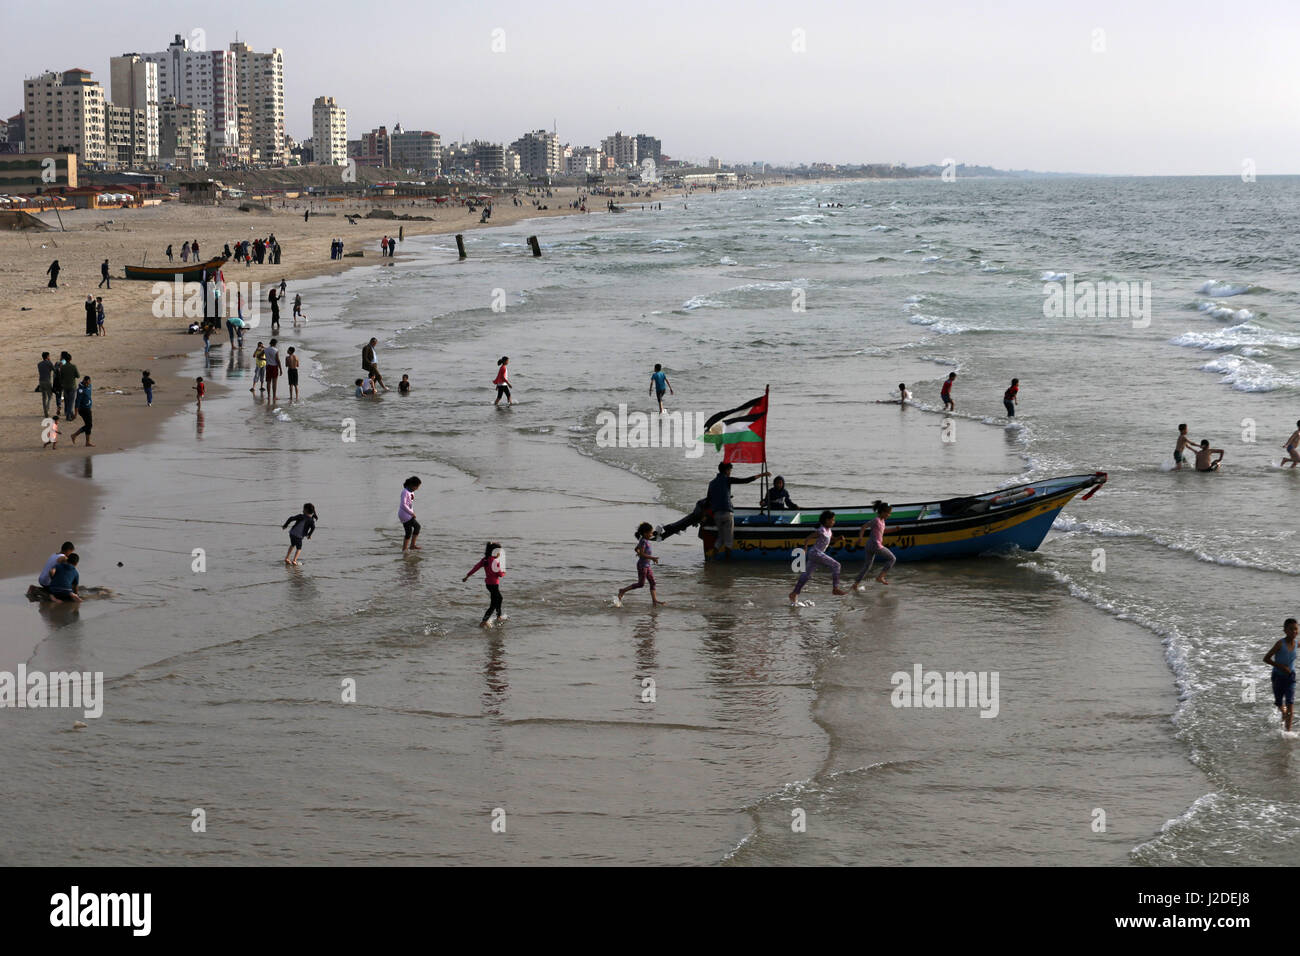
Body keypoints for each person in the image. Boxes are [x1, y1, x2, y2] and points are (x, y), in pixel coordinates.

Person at [706, 461, 770, 558]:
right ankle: (727, 564)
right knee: (728, 541)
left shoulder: (711, 483)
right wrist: (762, 475)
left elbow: (709, 500)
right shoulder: (727, 479)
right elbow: (745, 480)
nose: (730, 472)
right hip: (727, 514)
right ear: (727, 470)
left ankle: (711, 558)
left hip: (717, 515)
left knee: (720, 538)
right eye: (730, 470)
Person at [790, 510, 848, 603]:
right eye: (832, 520)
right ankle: (835, 588)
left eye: (834, 520)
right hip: (816, 553)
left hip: (816, 554)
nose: (834, 522)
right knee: (836, 565)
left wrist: (838, 538)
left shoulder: (829, 531)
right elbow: (808, 538)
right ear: (826, 520)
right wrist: (805, 548)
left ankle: (794, 593)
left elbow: (831, 541)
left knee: (806, 575)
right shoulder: (821, 530)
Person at [616, 522, 665, 606]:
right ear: (645, 533)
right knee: (641, 584)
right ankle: (623, 590)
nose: (652, 534)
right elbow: (642, 554)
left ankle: (654, 601)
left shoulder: (644, 540)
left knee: (652, 582)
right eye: (650, 532)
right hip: (642, 566)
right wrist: (652, 558)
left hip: (647, 565)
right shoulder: (643, 541)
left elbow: (636, 549)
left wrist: (638, 552)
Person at [1264, 619, 1299, 731]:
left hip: (1290, 677)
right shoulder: (1280, 644)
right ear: (1285, 631)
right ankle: (1283, 712)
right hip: (1278, 677)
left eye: (1296, 629)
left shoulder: (1297, 643)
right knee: (1279, 703)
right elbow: (1266, 659)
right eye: (1291, 629)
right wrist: (1281, 666)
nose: (1294, 631)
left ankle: (1287, 733)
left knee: (1290, 705)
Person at [854, 500, 898, 587]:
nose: (889, 515)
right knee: (892, 559)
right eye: (888, 513)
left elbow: (882, 531)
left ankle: (855, 584)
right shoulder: (876, 520)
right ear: (882, 512)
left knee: (867, 567)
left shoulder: (882, 521)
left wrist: (894, 530)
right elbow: (864, 526)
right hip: (876, 546)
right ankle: (880, 577)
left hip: (869, 545)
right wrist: (860, 538)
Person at [464, 541, 507, 627]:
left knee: (498, 599)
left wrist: (467, 576)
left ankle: (498, 617)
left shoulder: (485, 560)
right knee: (494, 604)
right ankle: (484, 622)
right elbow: (500, 574)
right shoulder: (495, 561)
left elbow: (475, 568)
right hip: (494, 584)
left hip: (488, 584)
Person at [399, 477, 421, 551]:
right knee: (409, 531)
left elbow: (409, 504)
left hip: (408, 514)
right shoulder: (405, 492)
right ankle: (405, 549)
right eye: (417, 486)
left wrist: (411, 512)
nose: (418, 488)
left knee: (417, 527)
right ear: (412, 485)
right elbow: (403, 505)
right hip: (404, 515)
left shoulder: (411, 491)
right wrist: (411, 513)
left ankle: (412, 545)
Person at [70, 376, 93, 446]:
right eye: (86, 383)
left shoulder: (90, 386)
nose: (87, 384)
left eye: (88, 383)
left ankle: (87, 442)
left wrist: (90, 407)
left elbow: (88, 397)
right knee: (89, 425)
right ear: (84, 381)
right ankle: (74, 435)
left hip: (88, 408)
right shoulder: (80, 390)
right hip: (83, 409)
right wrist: (76, 414)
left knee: (88, 425)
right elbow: (77, 402)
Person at [60, 353, 79, 422]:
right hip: (72, 386)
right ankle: (68, 415)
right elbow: (78, 376)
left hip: (65, 386)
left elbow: (61, 376)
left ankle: (69, 413)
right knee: (71, 401)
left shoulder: (62, 367)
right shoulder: (73, 366)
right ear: (70, 359)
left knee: (67, 401)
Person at [37, 352, 55, 418]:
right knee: (50, 396)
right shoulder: (49, 363)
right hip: (47, 381)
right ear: (47, 356)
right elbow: (54, 369)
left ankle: (45, 412)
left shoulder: (39, 364)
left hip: (41, 381)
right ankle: (47, 409)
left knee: (44, 397)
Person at [264, 339, 281, 404]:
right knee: (274, 382)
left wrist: (265, 359)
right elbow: (278, 360)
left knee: (268, 382)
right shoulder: (276, 350)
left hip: (268, 366)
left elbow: (259, 356)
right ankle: (274, 396)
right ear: (275, 344)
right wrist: (281, 369)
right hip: (274, 367)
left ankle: (268, 396)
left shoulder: (266, 349)